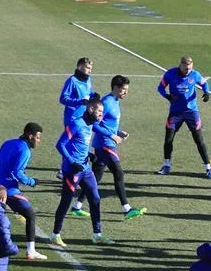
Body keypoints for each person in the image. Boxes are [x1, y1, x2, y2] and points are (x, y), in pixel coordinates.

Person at [50, 97, 114, 247]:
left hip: (85, 169)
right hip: (72, 171)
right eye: (99, 112)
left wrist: (89, 155)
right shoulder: (76, 123)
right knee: (66, 201)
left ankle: (97, 234)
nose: (101, 115)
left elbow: (81, 144)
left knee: (95, 199)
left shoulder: (90, 124)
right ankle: (55, 234)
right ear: (91, 109)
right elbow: (60, 145)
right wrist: (72, 162)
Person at [86, 75, 146, 221]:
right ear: (116, 88)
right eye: (124, 89)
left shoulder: (116, 101)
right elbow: (94, 124)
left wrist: (118, 132)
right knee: (118, 173)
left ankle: (77, 205)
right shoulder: (106, 102)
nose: (126, 92)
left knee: (95, 177)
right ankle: (126, 208)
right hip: (104, 144)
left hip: (109, 143)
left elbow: (108, 123)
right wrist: (112, 135)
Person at [0, 122, 47, 260]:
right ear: (30, 135)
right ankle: (31, 251)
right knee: (30, 214)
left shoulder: (8, 142)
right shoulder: (25, 150)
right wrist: (32, 181)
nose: (39, 141)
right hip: (8, 191)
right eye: (38, 137)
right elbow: (17, 173)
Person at [156, 55, 211, 179]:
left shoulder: (195, 75)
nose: (188, 71)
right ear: (181, 65)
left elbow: (204, 84)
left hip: (191, 113)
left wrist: (206, 93)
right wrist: (167, 96)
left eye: (190, 68)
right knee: (168, 139)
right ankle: (166, 165)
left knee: (199, 140)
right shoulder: (170, 74)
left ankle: (208, 168)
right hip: (175, 113)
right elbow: (160, 88)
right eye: (186, 68)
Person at [58, 57, 98, 184]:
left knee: (81, 142)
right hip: (72, 118)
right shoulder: (72, 81)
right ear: (79, 67)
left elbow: (89, 93)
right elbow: (63, 99)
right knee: (68, 143)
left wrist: (94, 96)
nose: (90, 71)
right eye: (87, 68)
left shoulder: (88, 80)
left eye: (91, 69)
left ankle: (81, 164)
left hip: (84, 118)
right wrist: (78, 102)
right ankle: (63, 168)